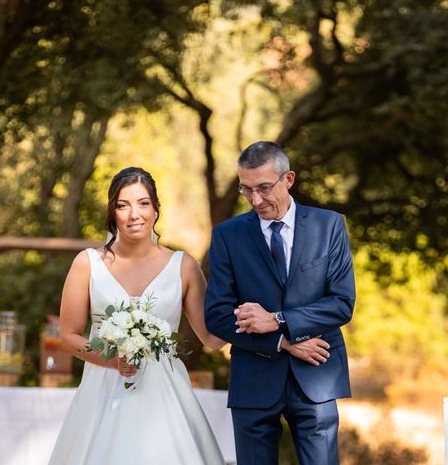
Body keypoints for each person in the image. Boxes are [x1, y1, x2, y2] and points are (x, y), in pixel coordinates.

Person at [49, 167, 225, 465]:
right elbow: (68, 336)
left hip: (165, 397)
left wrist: (255, 314)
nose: (134, 214)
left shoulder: (183, 266)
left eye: (143, 203)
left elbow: (212, 337)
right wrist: (112, 360)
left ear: (156, 210)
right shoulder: (87, 263)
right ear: (112, 212)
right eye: (123, 205)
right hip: (103, 393)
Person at [204, 141, 356, 464]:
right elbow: (217, 316)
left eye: (263, 188)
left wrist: (277, 320)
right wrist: (283, 342)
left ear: (288, 179)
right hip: (253, 380)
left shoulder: (328, 227)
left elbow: (342, 303)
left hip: (316, 376)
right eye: (246, 190)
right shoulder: (227, 236)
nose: (255, 200)